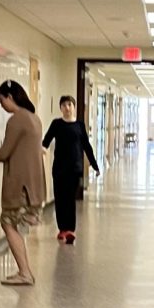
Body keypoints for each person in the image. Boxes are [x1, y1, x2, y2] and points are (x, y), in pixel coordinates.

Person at [0, 80, 45, 286]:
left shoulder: (16, 120)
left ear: (11, 97)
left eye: (1, 99)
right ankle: (24, 271)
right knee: (11, 223)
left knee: (7, 222)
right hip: (34, 185)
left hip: (21, 186)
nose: (1, 104)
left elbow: (5, 152)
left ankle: (25, 272)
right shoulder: (34, 118)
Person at [42, 96, 99, 245]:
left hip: (75, 169)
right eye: (64, 105)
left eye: (70, 104)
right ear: (60, 108)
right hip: (59, 169)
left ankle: (70, 230)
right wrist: (39, 152)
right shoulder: (57, 124)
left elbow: (86, 146)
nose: (67, 108)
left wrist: (94, 164)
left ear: (74, 107)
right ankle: (62, 229)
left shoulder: (79, 125)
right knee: (60, 199)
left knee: (70, 199)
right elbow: (45, 142)